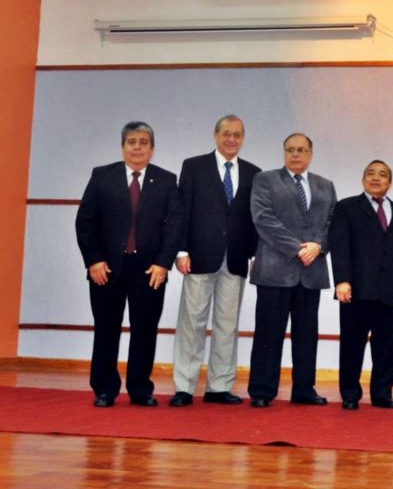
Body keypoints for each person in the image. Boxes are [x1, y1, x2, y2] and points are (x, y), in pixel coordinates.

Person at [75, 121, 182, 407]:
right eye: (131, 142)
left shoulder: (167, 180)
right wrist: (93, 260)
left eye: (143, 142)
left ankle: (140, 389)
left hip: (149, 271)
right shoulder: (102, 177)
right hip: (106, 269)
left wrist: (163, 264)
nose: (137, 147)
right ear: (123, 146)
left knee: (145, 329)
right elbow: (85, 223)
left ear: (152, 148)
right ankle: (105, 389)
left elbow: (174, 227)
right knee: (106, 328)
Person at [169, 115, 261, 407]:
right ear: (215, 135)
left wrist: (254, 254)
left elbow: (254, 219)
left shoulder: (253, 172)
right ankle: (184, 387)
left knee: (227, 324)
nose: (231, 139)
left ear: (243, 138)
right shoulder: (193, 166)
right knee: (191, 323)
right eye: (226, 134)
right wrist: (181, 251)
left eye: (237, 134)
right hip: (199, 256)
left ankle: (219, 387)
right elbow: (182, 211)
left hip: (235, 259)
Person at [247, 133, 336, 408]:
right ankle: (262, 390)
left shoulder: (325, 185)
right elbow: (263, 219)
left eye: (301, 150)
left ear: (310, 153)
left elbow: (333, 224)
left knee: (307, 335)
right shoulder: (265, 180)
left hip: (311, 273)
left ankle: (304, 389)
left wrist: (318, 247)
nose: (295, 154)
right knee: (268, 334)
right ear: (283, 153)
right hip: (275, 270)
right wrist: (299, 249)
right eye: (290, 150)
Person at [329, 160, 393, 410]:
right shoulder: (346, 207)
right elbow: (340, 246)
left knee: (386, 345)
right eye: (371, 173)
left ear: (390, 182)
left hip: (388, 289)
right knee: (352, 343)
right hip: (355, 289)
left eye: (383, 174)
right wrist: (342, 280)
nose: (376, 178)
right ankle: (350, 394)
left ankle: (382, 393)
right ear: (363, 179)